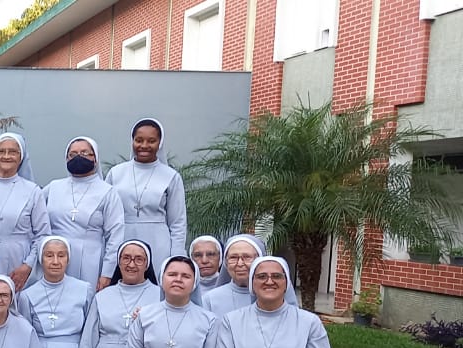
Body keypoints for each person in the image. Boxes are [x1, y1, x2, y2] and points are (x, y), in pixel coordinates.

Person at [45, 137, 124, 291]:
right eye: (73, 154)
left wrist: (107, 273)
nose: (78, 157)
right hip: (54, 258)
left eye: (84, 153)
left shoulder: (108, 192)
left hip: (91, 261)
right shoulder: (53, 187)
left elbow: (115, 236)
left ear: (95, 159)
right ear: (66, 158)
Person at [105, 119, 187, 267]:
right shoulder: (116, 173)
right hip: (122, 238)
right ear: (132, 141)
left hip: (158, 242)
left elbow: (177, 222)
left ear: (160, 143)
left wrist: (176, 255)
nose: (144, 146)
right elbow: (105, 215)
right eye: (139, 140)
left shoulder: (171, 176)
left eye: (151, 141)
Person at [0, 132, 49, 292]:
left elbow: (43, 235)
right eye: (1, 151)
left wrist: (28, 265)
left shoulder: (33, 191)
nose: (6, 156)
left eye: (13, 152)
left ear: (21, 156)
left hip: (18, 260)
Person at [203, 234, 298, 316]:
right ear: (225, 262)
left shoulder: (275, 294)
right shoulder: (210, 299)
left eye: (247, 257)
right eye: (233, 257)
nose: (240, 263)